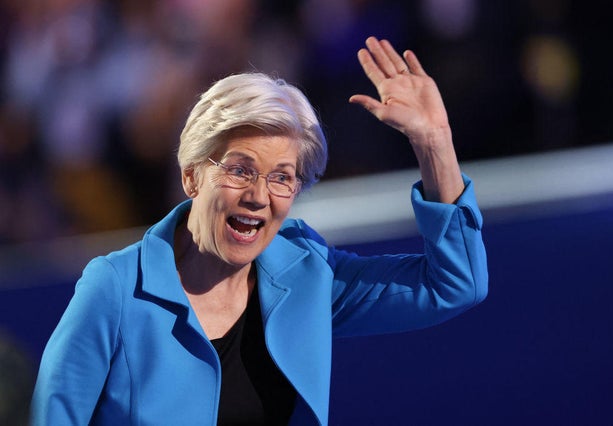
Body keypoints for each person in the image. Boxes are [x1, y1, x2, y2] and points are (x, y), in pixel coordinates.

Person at [31, 36, 488, 425]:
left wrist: (433, 143)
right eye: (240, 170)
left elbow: (454, 284)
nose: (259, 195)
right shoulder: (114, 287)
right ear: (191, 176)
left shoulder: (305, 272)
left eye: (282, 177)